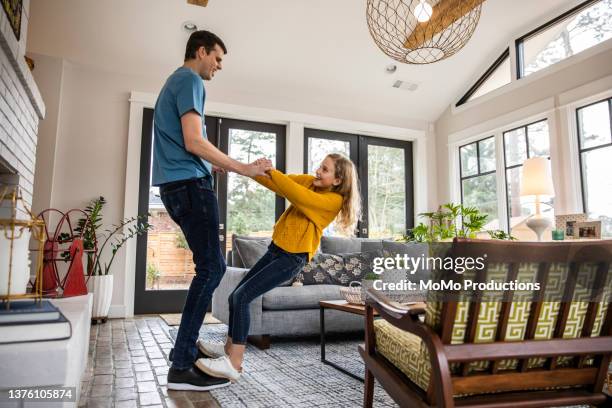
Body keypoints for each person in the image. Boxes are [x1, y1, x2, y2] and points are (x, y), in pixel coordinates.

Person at [152, 30, 271, 391]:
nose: (219, 66)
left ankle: (183, 352)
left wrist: (211, 165)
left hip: (179, 185)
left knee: (209, 267)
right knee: (214, 267)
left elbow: (187, 144)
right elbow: (194, 140)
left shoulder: (174, 81)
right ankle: (183, 362)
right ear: (200, 51)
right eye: (217, 58)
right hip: (190, 187)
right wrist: (244, 168)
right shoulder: (189, 79)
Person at [193, 153, 362, 382]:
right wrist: (247, 169)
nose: (318, 171)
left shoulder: (332, 201)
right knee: (236, 296)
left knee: (243, 297)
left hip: (292, 258)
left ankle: (235, 364)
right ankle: (228, 350)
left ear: (337, 180)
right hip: (276, 250)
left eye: (325, 169)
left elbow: (295, 193)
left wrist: (271, 170)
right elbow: (277, 183)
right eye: (320, 167)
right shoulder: (310, 181)